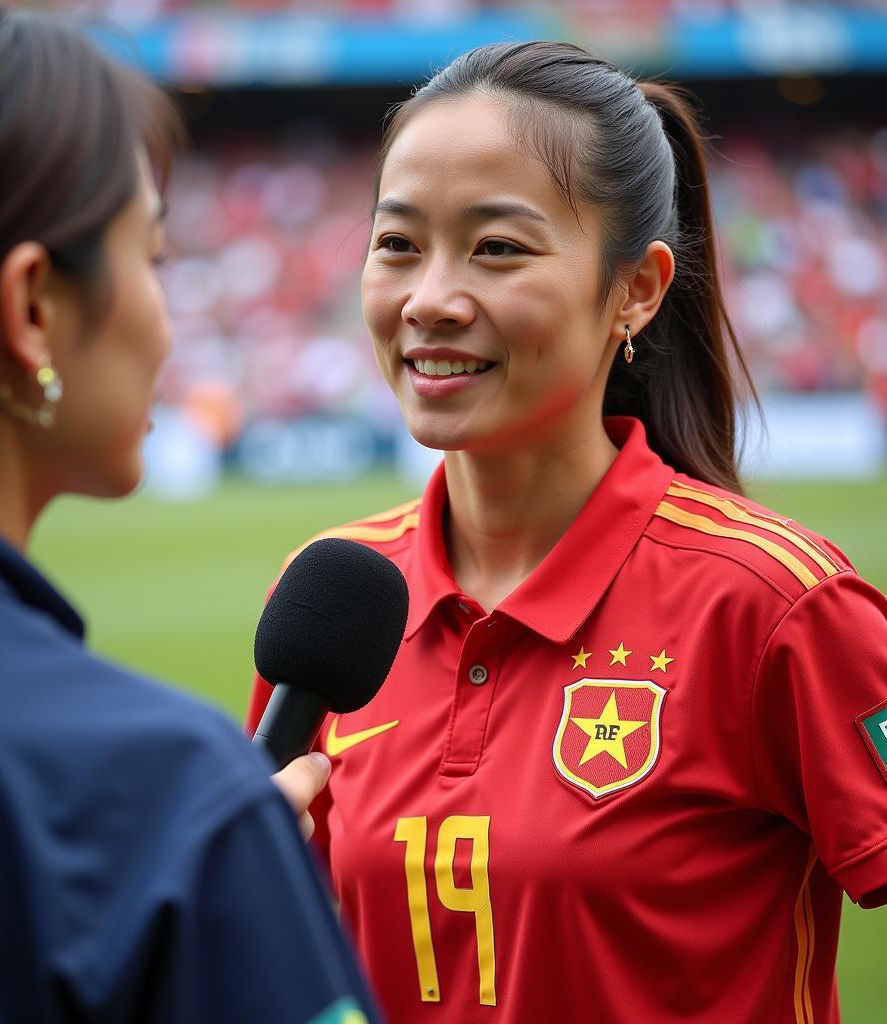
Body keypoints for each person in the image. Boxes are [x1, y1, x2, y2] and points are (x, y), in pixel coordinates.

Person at [248, 41, 887, 1023]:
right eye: (397, 244)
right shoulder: (330, 598)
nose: (430, 300)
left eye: (497, 248)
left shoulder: (773, 605)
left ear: (634, 289)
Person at [0, 4, 379, 1022]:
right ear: (33, 310)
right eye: (150, 255)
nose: (167, 312)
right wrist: (227, 878)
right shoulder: (157, 796)